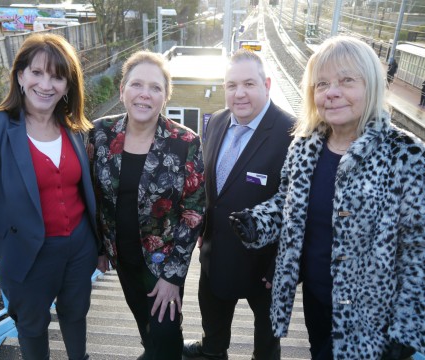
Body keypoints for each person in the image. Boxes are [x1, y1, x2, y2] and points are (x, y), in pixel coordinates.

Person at [230, 36, 425, 359]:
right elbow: (286, 203)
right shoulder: (305, 146)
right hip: (317, 300)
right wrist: (258, 221)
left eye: (346, 80)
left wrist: (406, 331)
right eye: (321, 84)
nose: (331, 92)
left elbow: (418, 252)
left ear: (371, 85)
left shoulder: (405, 155)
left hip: (374, 320)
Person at [0, 33, 100, 360]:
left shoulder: (75, 129)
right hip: (28, 254)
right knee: (32, 326)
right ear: (20, 76)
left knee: (76, 313)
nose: (46, 84)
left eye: (57, 76)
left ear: (68, 87)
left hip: (79, 248)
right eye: (37, 72)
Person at [87, 50, 205, 360]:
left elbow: (194, 212)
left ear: (166, 95)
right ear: (122, 89)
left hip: (164, 261)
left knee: (166, 332)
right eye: (137, 84)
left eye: (155, 87)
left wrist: (173, 277)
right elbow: (89, 195)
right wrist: (101, 248)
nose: (145, 94)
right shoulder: (99, 133)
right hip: (123, 257)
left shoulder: (185, 142)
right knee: (144, 323)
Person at [182, 49, 295, 360]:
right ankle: (212, 350)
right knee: (213, 324)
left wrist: (283, 265)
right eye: (231, 85)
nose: (239, 93)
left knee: (267, 343)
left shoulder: (293, 133)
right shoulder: (216, 121)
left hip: (266, 264)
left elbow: (297, 206)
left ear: (267, 84)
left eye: (249, 84)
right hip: (216, 253)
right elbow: (211, 186)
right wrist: (204, 228)